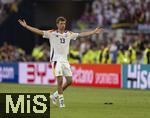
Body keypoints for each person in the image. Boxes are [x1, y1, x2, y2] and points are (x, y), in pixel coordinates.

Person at [18, 16, 104, 108]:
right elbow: (38, 31)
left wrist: (93, 32)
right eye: (61, 23)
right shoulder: (52, 33)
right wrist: (27, 26)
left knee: (70, 81)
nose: (63, 25)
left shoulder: (69, 34)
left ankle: (54, 96)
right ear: (57, 24)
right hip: (56, 60)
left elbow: (81, 34)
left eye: (64, 23)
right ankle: (61, 102)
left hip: (65, 61)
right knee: (60, 81)